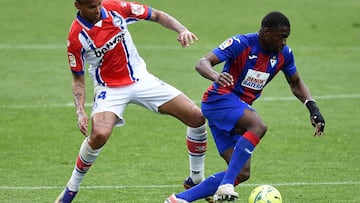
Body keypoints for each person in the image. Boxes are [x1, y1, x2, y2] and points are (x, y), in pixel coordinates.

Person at [55, 0, 209, 202]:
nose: (98, 9)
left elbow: (157, 15)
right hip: (109, 89)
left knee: (197, 117)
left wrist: (182, 30)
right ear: (78, 6)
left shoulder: (116, 8)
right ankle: (71, 189)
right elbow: (78, 79)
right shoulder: (76, 37)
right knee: (99, 134)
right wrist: (80, 111)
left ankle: (196, 179)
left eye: (99, 3)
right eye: (92, 6)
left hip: (141, 80)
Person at [164, 11, 325, 203]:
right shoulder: (241, 43)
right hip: (219, 100)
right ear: (266, 32)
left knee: (241, 171)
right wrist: (216, 76)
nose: (284, 42)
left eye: (287, 37)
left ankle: (179, 199)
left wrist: (313, 108)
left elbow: (295, 82)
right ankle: (226, 185)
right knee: (258, 126)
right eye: (281, 36)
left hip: (237, 110)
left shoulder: (284, 54)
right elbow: (202, 63)